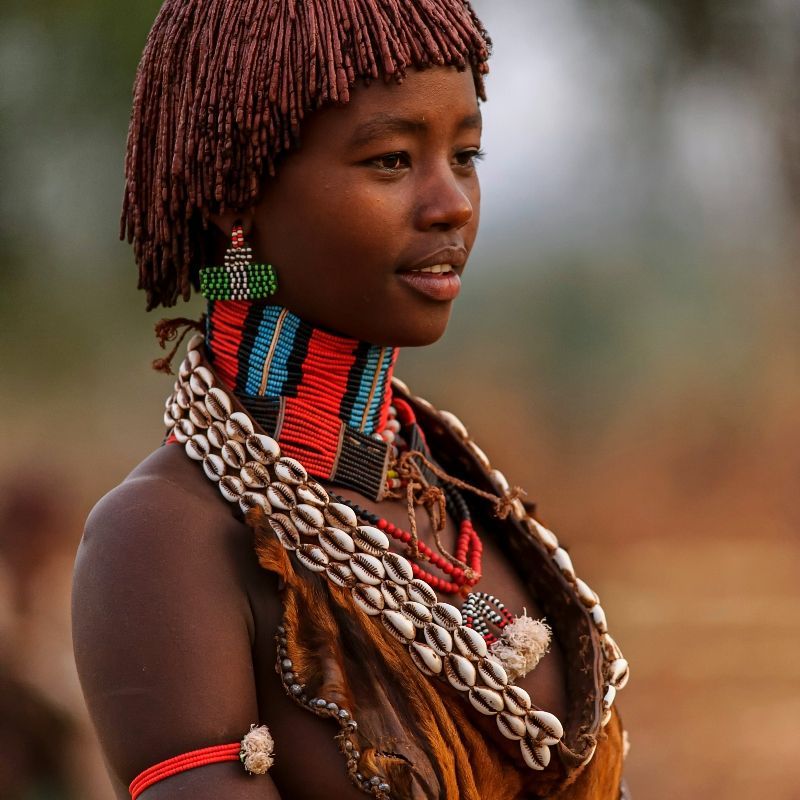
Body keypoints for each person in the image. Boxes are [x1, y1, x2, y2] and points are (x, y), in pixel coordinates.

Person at [72, 1, 630, 798]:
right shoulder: (163, 542)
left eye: (467, 154)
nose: (453, 203)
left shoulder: (453, 500)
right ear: (238, 196)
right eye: (393, 161)